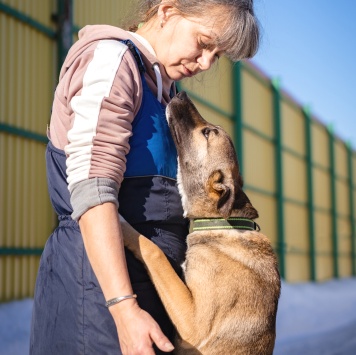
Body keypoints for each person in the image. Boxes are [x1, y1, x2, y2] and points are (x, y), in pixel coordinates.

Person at [30, 0, 260, 354]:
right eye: (203, 42)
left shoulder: (164, 92)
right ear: (167, 10)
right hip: (97, 301)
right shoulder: (111, 61)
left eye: (217, 55)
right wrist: (124, 307)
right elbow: (93, 192)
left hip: (147, 306)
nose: (205, 63)